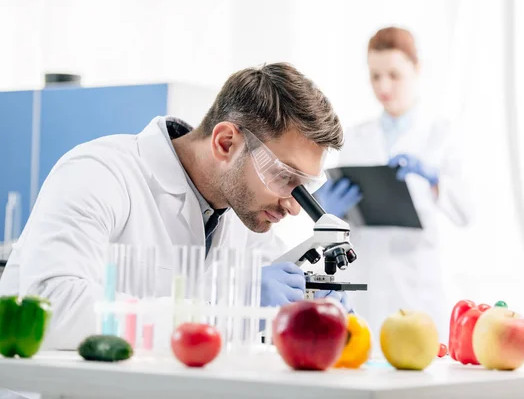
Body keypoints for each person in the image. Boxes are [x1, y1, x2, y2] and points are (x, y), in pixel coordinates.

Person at [0, 63, 351, 350]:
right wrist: (218, 311)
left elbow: (262, 305)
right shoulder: (99, 172)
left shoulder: (245, 216)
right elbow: (51, 306)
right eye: (283, 176)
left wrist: (306, 306)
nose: (292, 206)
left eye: (303, 188)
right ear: (226, 143)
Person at [315, 27, 471, 346]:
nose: (383, 87)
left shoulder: (440, 134)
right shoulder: (355, 136)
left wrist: (434, 179)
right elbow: (336, 226)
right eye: (375, 76)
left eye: (393, 75)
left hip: (417, 288)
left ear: (417, 69)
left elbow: (467, 212)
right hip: (365, 284)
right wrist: (326, 215)